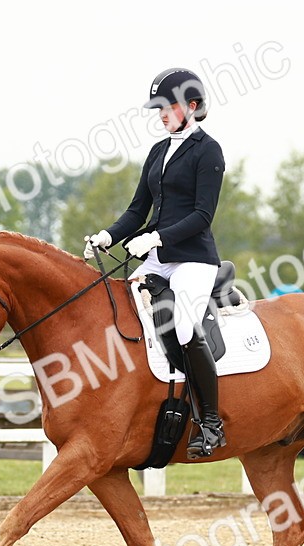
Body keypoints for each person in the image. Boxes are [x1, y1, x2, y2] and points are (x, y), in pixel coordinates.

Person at [84, 67, 227, 457]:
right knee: (118, 310)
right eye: (159, 108)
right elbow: (137, 210)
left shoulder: (208, 150)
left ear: (192, 106)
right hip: (157, 259)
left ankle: (211, 423)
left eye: (168, 107)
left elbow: (202, 215)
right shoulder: (159, 151)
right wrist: (109, 236)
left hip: (193, 261)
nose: (161, 114)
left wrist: (157, 236)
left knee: (183, 326)